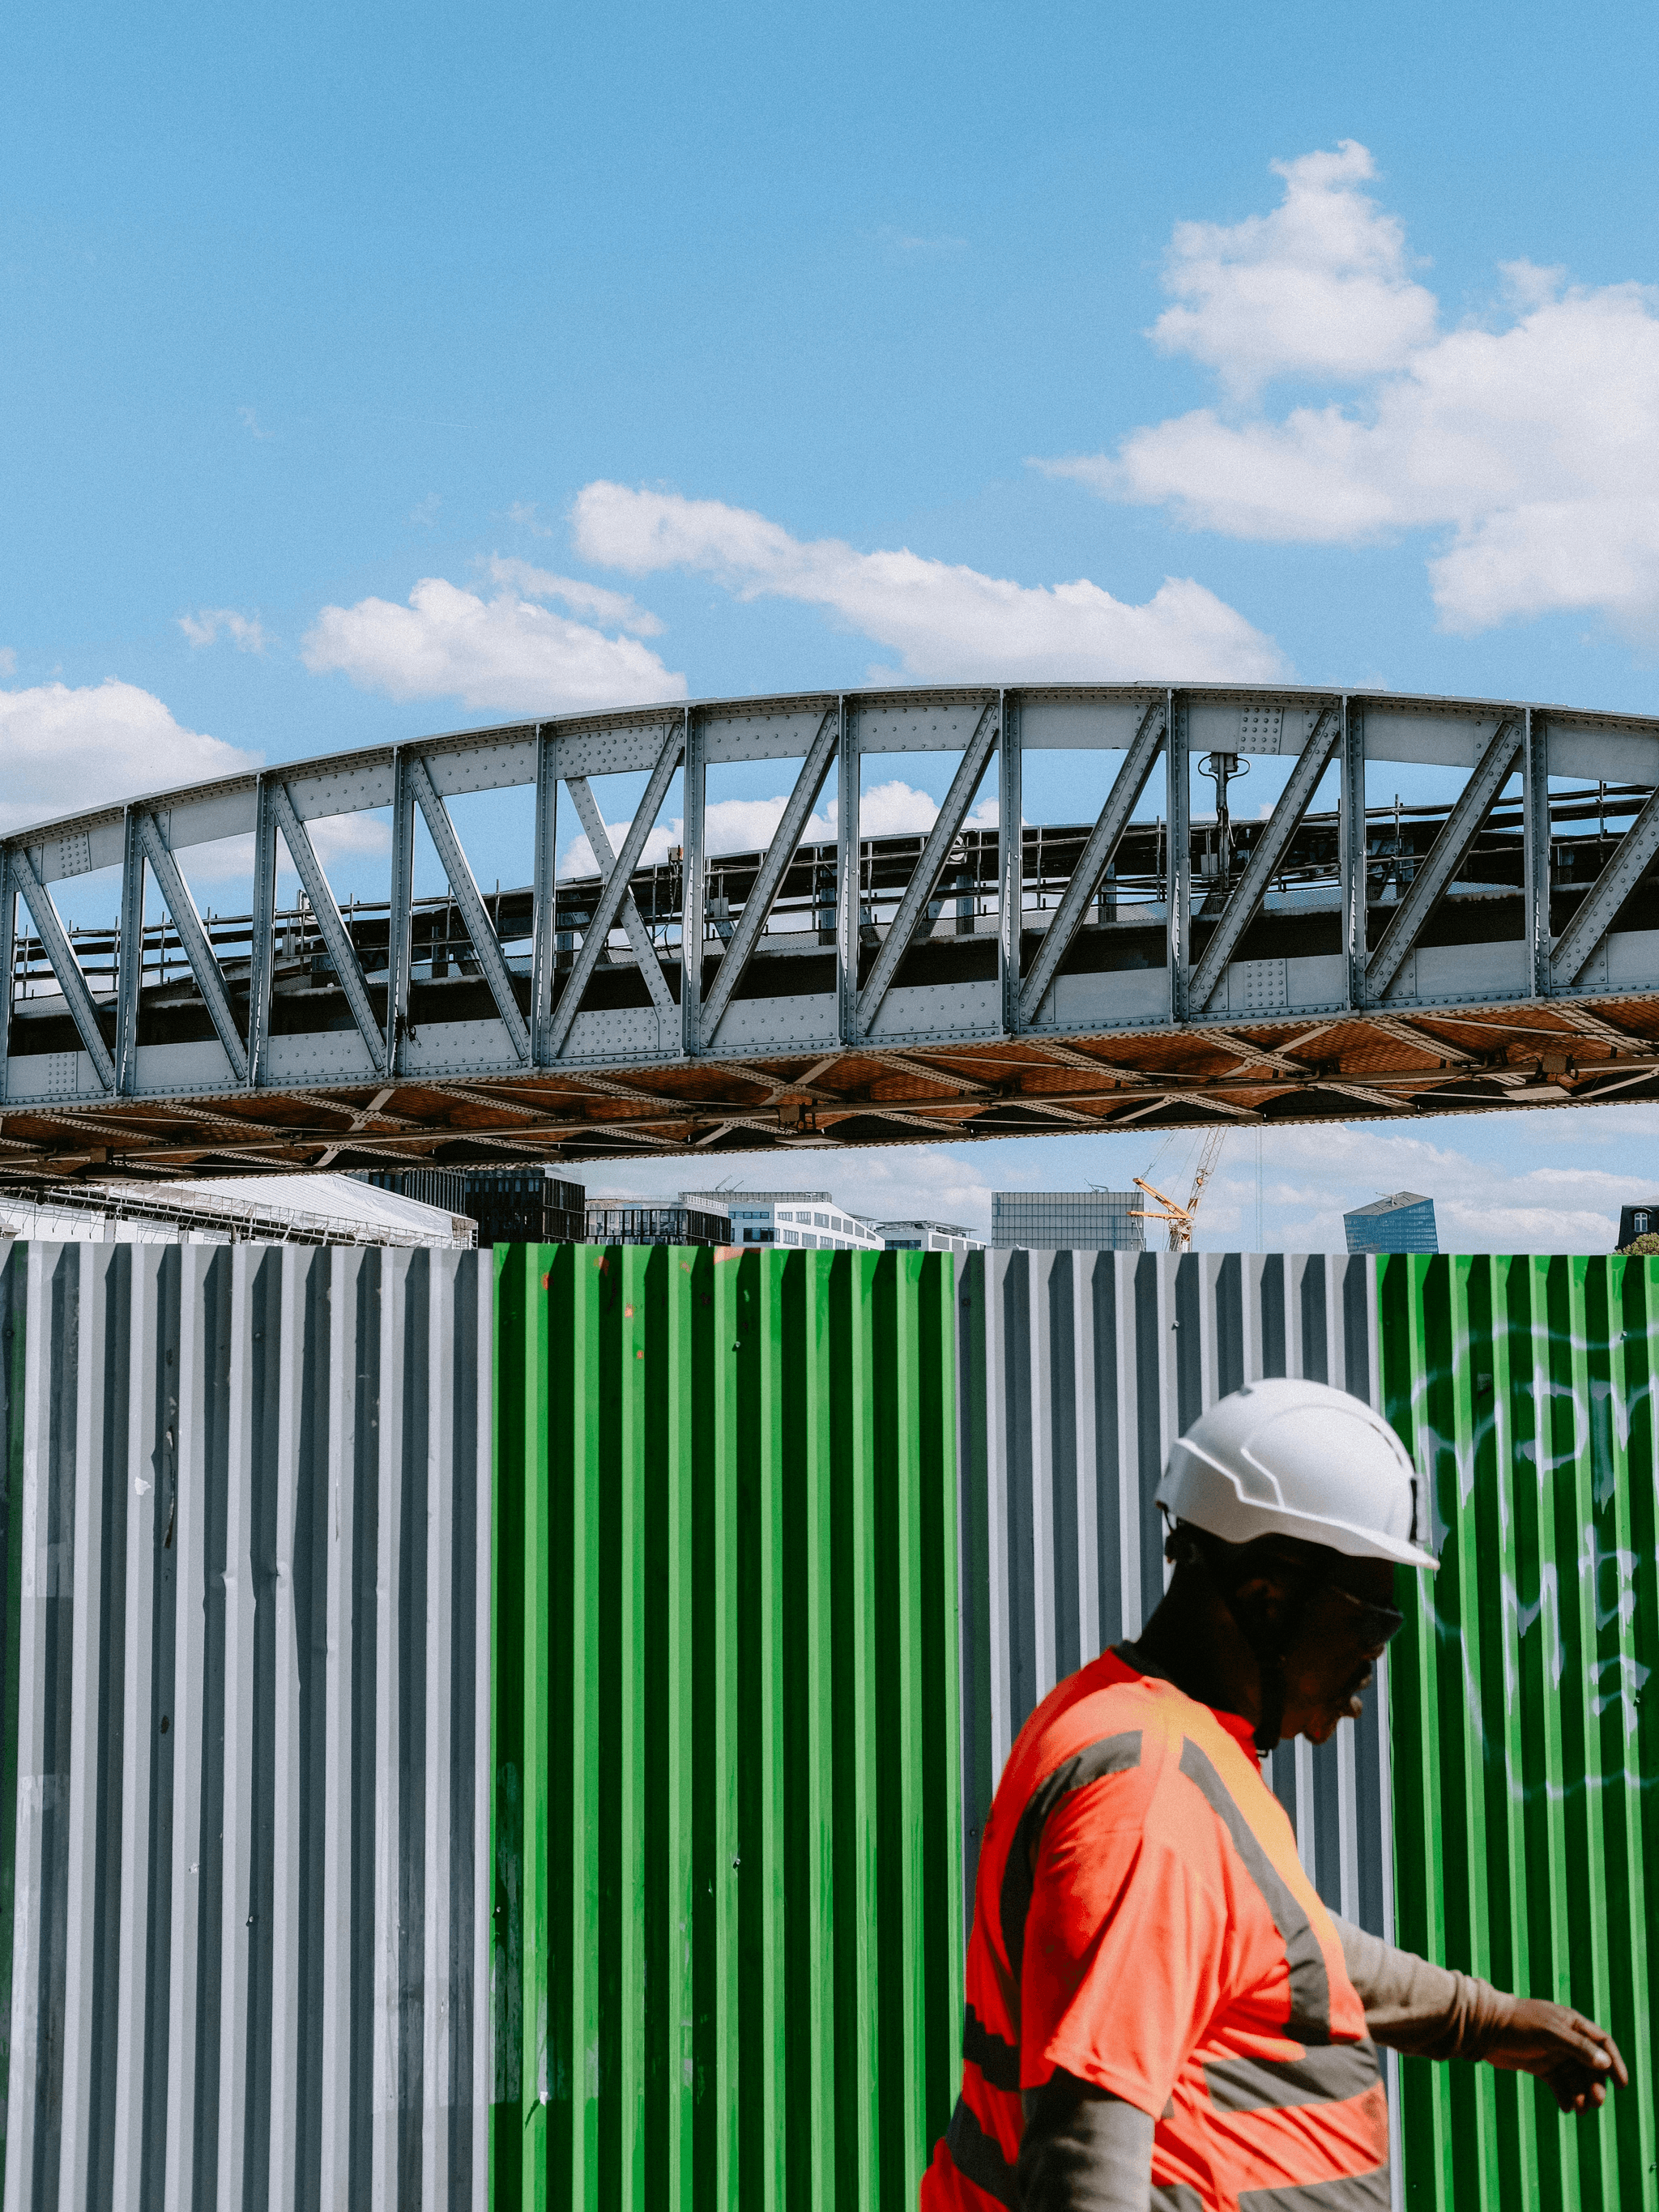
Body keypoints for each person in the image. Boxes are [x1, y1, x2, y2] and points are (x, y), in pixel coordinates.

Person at [921, 1376, 1627, 2212]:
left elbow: (1278, 1943)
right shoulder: (1149, 1797)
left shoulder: (1148, 1726)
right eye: (1370, 1628)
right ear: (1266, 1599)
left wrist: (1484, 2019)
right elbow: (1086, 2154)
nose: (1368, 1673)